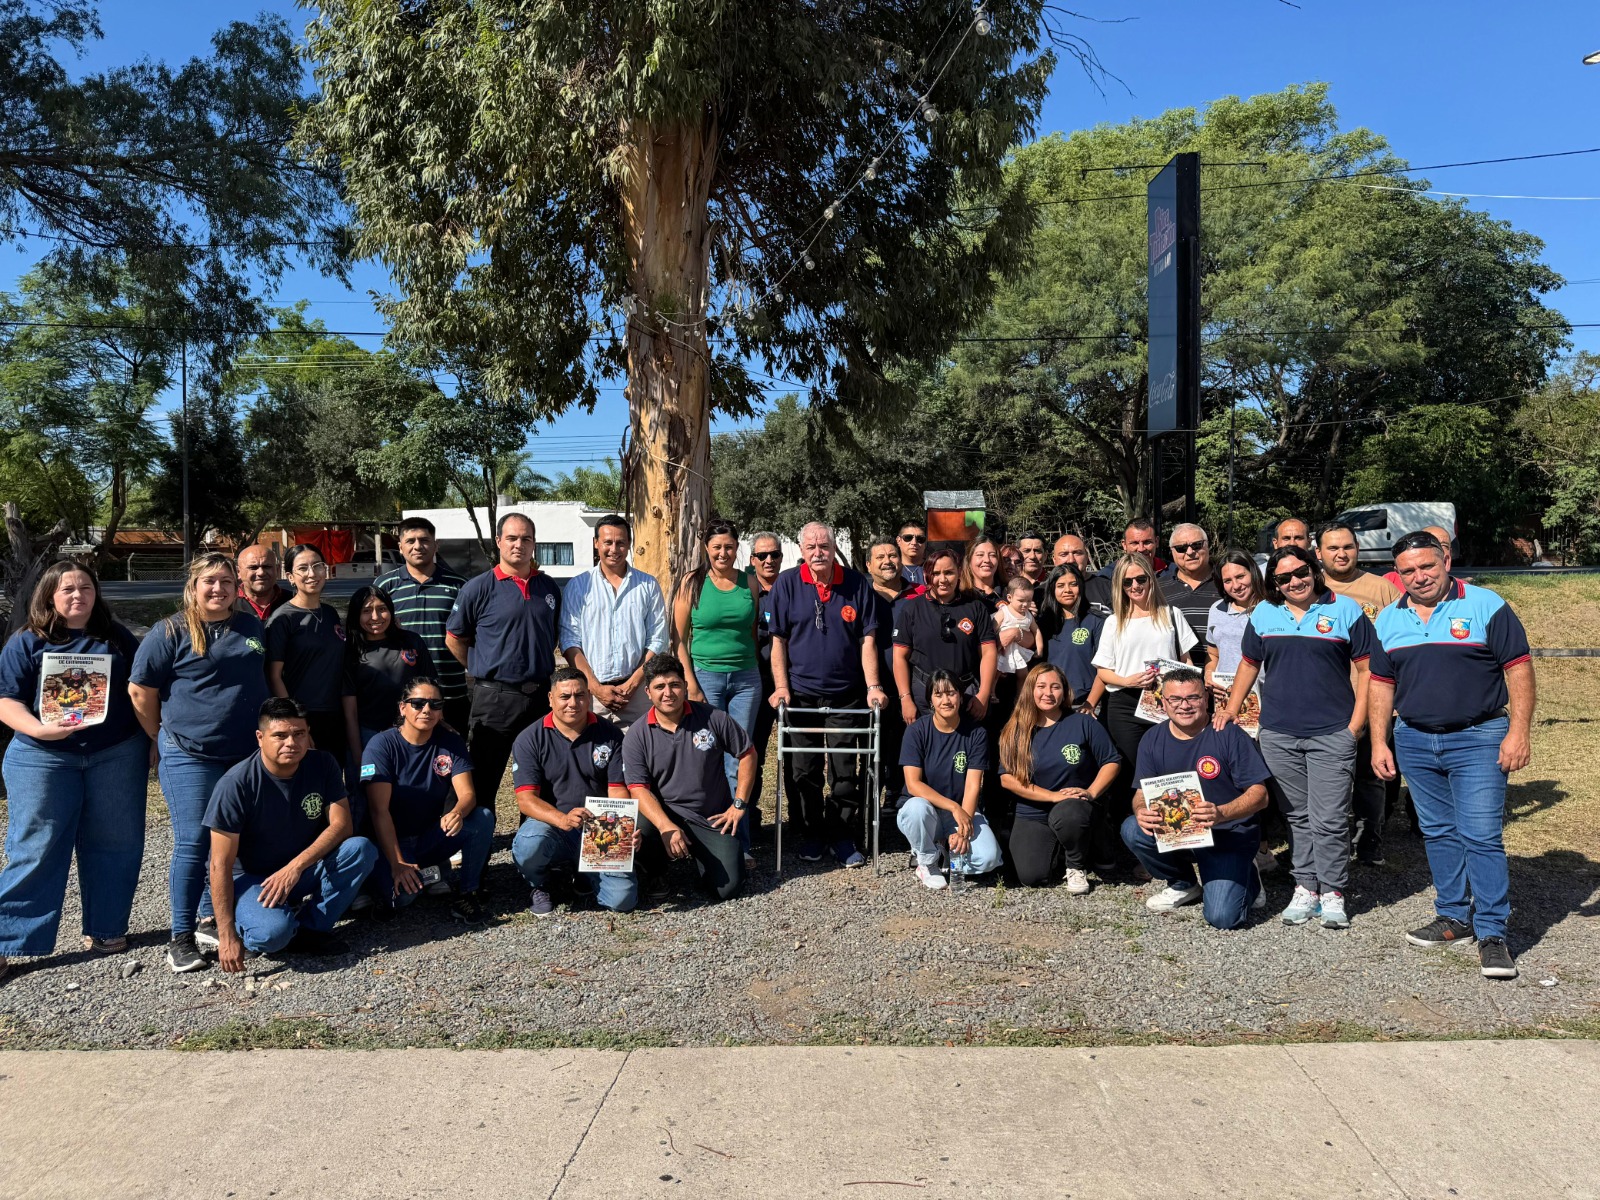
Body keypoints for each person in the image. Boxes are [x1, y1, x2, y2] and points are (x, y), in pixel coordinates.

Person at [1369, 531, 1534, 980]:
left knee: (1480, 834)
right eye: (1408, 571)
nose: (1419, 577)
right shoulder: (1388, 619)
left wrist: (1518, 732)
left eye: (1427, 566)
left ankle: (1493, 933)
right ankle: (1454, 915)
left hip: (1479, 737)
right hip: (1415, 740)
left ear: (1445, 559)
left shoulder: (1485, 604)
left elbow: (1518, 668)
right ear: (1397, 574)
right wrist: (1380, 741)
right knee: (1439, 833)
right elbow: (1381, 684)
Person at [0, 562, 148, 983]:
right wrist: (39, 730)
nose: (78, 595)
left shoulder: (116, 638)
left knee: (117, 841)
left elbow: (141, 690)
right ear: (49, 595)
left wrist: (152, 738)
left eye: (86, 587)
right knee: (36, 846)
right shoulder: (26, 641)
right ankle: (6, 940)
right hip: (41, 756)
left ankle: (107, 930)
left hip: (116, 753)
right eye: (67, 589)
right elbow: (5, 699)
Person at [1215, 546, 1374, 929]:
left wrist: (1356, 725)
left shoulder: (1346, 609)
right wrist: (1231, 708)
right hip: (1279, 733)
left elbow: (1368, 669)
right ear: (1274, 584)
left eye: (1300, 572)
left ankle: (1333, 890)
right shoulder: (1266, 614)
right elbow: (1249, 664)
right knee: (1297, 817)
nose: (1293, 582)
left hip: (1332, 731)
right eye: (1283, 578)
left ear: (1313, 569)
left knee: (1332, 818)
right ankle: (1306, 886)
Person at [129, 553, 271, 974]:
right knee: (194, 841)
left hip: (243, 754)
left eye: (226, 581)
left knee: (233, 839)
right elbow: (140, 692)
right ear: (193, 586)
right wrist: (160, 737)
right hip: (189, 754)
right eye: (209, 581)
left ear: (236, 587)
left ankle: (213, 917)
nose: (218, 589)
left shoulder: (249, 625)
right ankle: (180, 935)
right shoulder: (169, 631)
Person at [205, 698, 378, 970]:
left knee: (361, 849)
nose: (292, 742)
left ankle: (310, 929)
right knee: (271, 936)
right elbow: (219, 864)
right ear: (260, 738)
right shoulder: (236, 784)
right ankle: (246, 921)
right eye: (280, 735)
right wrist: (226, 936)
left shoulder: (322, 763)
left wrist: (295, 866)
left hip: (298, 869)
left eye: (299, 734)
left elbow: (343, 825)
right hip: (251, 879)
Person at [768, 522, 887, 867]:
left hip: (846, 694)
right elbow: (779, 642)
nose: (818, 552)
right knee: (803, 771)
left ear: (833, 548)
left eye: (824, 545)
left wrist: (873, 686)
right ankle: (812, 833)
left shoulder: (855, 584)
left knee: (844, 768)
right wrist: (781, 687)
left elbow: (868, 639)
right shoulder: (787, 584)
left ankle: (842, 835)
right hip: (801, 696)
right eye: (811, 547)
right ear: (802, 550)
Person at [1122, 669, 1270, 928]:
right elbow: (1140, 793)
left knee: (1223, 918)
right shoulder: (1152, 738)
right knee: (1133, 829)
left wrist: (1222, 813)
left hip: (1229, 833)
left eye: (1193, 698)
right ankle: (1184, 884)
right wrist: (1140, 810)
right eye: (1176, 700)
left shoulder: (1228, 733)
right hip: (1180, 833)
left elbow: (1261, 795)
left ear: (1206, 698)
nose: (1185, 706)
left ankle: (1249, 874)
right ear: (1163, 702)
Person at [446, 512, 563, 816]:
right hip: (494, 699)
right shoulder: (478, 588)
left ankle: (535, 854)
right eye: (511, 538)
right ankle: (480, 858)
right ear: (498, 541)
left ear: (534, 543)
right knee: (484, 781)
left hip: (540, 697)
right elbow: (454, 638)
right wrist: (479, 666)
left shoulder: (548, 589)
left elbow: (551, 637)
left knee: (541, 780)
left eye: (526, 538)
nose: (519, 544)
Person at [624, 655, 756, 903]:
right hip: (665, 815)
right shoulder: (637, 734)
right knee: (638, 820)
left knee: (728, 889)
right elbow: (638, 789)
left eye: (674, 684)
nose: (668, 693)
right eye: (659, 687)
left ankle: (701, 861)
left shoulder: (713, 717)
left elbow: (747, 754)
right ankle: (656, 872)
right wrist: (665, 826)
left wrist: (739, 804)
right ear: (648, 692)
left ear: (685, 686)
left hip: (710, 818)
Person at [361, 678, 493, 923]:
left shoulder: (450, 742)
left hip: (428, 836)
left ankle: (467, 892)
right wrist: (398, 863)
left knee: (482, 818)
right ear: (402, 708)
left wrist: (458, 812)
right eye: (418, 703)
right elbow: (379, 811)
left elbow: (468, 795)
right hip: (392, 843)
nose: (426, 710)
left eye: (435, 704)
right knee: (403, 898)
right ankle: (381, 882)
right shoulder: (381, 745)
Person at [510, 669, 632, 916]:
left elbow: (618, 791)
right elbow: (526, 800)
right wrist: (563, 819)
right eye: (565, 696)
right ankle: (539, 884)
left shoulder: (611, 734)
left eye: (580, 695)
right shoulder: (529, 738)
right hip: (551, 825)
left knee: (622, 900)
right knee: (529, 845)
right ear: (550, 699)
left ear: (589, 697)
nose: (573, 703)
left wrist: (624, 827)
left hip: (599, 828)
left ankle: (584, 871)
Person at [1317, 522, 1403, 866]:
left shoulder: (1381, 590)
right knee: (1327, 779)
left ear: (1358, 549)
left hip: (1373, 700)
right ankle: (1330, 845)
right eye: (1333, 548)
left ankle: (1370, 842)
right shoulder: (1307, 587)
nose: (1341, 554)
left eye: (1347, 547)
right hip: (1324, 702)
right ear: (1319, 553)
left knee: (1370, 777)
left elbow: (1404, 641)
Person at [1091, 553, 1199, 818]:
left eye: (1141, 579)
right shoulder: (1113, 622)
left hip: (1166, 702)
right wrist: (1128, 680)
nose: (1135, 586)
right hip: (1125, 704)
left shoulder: (1170, 614)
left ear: (1151, 579)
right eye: (1128, 582)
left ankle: (1180, 825)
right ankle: (1144, 826)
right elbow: (1104, 671)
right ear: (1120, 586)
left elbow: (1186, 660)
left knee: (1170, 761)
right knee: (1137, 767)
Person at [999, 662, 1121, 891]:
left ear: (1064, 691)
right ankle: (1063, 848)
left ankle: (1077, 864)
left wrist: (1091, 791)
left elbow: (1111, 761)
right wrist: (1052, 796)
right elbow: (1007, 778)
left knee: (1070, 813)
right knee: (1031, 877)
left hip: (1075, 806)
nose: (1048, 693)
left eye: (1055, 687)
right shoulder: (1016, 728)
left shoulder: (1082, 722)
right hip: (1033, 810)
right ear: (1030, 690)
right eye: (1041, 686)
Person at [673, 519, 760, 817]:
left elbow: (750, 632)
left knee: (739, 755)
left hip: (746, 679)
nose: (723, 553)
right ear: (706, 548)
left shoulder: (749, 582)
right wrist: (691, 683)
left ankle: (739, 838)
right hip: (705, 678)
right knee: (707, 753)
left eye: (729, 547)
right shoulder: (691, 583)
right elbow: (679, 640)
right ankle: (709, 828)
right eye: (717, 548)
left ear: (737, 548)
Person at [897, 670, 1004, 890]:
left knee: (989, 859)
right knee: (916, 809)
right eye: (939, 695)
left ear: (961, 697)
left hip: (962, 810)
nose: (946, 700)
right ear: (930, 700)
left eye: (951, 693)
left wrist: (963, 830)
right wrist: (954, 808)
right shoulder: (916, 731)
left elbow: (974, 785)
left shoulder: (976, 734)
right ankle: (927, 861)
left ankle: (945, 851)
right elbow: (913, 784)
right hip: (928, 812)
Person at [562, 513, 668, 728]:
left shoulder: (647, 585)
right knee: (590, 757)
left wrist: (633, 684)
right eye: (607, 542)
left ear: (629, 544)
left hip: (637, 694)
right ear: (596, 543)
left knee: (638, 758)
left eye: (620, 543)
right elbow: (569, 640)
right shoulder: (578, 586)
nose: (614, 549)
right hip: (591, 695)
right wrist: (595, 687)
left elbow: (658, 639)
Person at [376, 516, 470, 734]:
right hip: (402, 694)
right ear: (400, 547)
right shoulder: (385, 586)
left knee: (450, 760)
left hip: (451, 692)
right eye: (410, 541)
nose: (418, 546)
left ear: (436, 545)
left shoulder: (459, 585)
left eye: (425, 540)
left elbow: (472, 636)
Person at [892, 546, 997, 723]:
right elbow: (899, 657)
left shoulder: (975, 607)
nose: (942, 579)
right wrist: (905, 698)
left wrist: (984, 694)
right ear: (927, 575)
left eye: (949, 572)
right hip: (923, 694)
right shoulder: (912, 608)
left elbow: (989, 652)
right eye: (936, 573)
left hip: (966, 693)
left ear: (959, 573)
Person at [266, 544, 350, 763]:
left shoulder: (330, 613)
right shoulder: (282, 619)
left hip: (337, 713)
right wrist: (294, 724)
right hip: (304, 716)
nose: (312, 574)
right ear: (290, 577)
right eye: (303, 568)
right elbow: (274, 676)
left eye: (318, 566)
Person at [343, 584, 435, 755]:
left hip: (411, 732)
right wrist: (357, 753)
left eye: (382, 609)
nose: (375, 616)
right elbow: (351, 712)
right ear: (356, 615)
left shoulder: (412, 641)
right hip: (368, 734)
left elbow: (431, 689)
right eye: (366, 611)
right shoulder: (350, 652)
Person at [866, 536, 912, 808]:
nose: (887, 561)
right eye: (880, 557)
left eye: (893, 555)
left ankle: (902, 807)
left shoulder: (919, 594)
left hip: (909, 689)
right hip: (872, 688)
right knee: (874, 754)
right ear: (869, 564)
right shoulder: (861, 596)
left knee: (906, 751)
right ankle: (870, 810)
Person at [746, 532, 783, 815]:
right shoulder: (744, 592)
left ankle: (803, 821)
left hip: (787, 681)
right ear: (752, 560)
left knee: (796, 754)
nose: (769, 560)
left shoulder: (791, 589)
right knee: (752, 750)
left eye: (774, 554)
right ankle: (750, 813)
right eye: (762, 555)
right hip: (752, 680)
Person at [1038, 563, 1105, 717]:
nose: (1067, 590)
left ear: (1080, 586)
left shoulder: (1096, 621)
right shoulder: (1042, 624)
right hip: (1049, 704)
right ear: (1052, 589)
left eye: (1073, 584)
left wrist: (1091, 703)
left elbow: (1104, 668)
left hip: (1085, 706)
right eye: (1060, 585)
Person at [1203, 551, 1265, 700]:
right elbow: (1213, 653)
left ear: (1253, 572)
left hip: (1266, 698)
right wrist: (1209, 674)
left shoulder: (1272, 609)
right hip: (1225, 697)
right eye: (1228, 581)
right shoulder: (1217, 610)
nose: (1236, 586)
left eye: (1240, 576)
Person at [1086, 519, 1169, 612]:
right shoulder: (1106, 577)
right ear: (1124, 545)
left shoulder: (1172, 572)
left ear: (1157, 542)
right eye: (1135, 543)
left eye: (1147, 542)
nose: (1141, 549)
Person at [1163, 523, 1220, 655]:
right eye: (1181, 548)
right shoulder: (1157, 589)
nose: (1190, 552)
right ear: (1172, 551)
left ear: (1207, 545)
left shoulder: (1228, 583)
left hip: (1221, 673)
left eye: (1196, 545)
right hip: (1175, 674)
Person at [994, 576, 1041, 677]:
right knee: (996, 673)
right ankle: (992, 691)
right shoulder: (1004, 612)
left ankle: (1021, 693)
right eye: (1021, 600)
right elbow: (992, 629)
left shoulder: (1028, 615)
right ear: (1009, 598)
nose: (1025, 604)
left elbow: (1036, 631)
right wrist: (995, 646)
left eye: (1029, 601)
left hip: (1018, 652)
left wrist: (1040, 648)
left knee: (1023, 675)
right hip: (1002, 650)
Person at [235, 544, 291, 623]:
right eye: (253, 567)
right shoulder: (227, 604)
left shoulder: (295, 601)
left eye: (267, 566)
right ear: (238, 572)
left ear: (277, 570)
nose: (261, 573)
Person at [960, 535, 1009, 610]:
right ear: (969, 560)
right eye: (980, 555)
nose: (987, 560)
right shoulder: (960, 595)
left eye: (992, 555)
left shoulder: (1010, 592)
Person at [896, 520, 928, 587]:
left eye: (920, 539)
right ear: (898, 541)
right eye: (908, 538)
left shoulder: (933, 569)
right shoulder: (892, 570)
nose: (914, 542)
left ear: (925, 542)